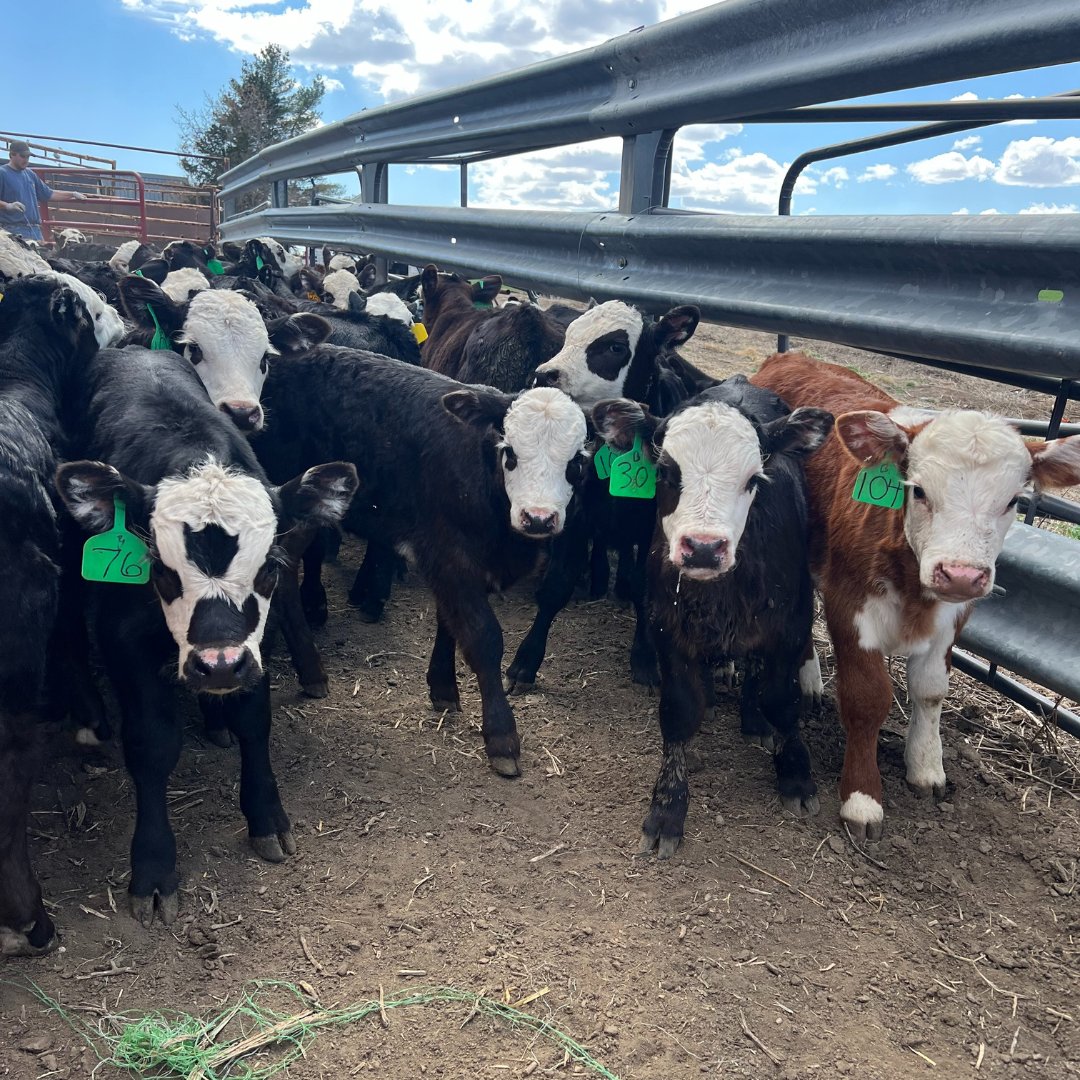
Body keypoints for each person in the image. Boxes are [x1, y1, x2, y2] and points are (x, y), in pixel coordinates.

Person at [0, 140, 87, 241]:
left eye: (28, 157)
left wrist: (72, 194)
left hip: (34, 229)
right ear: (12, 155)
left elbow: (49, 194)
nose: (26, 160)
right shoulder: (2, 173)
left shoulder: (30, 174)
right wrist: (7, 206)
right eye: (22, 156)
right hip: (12, 230)